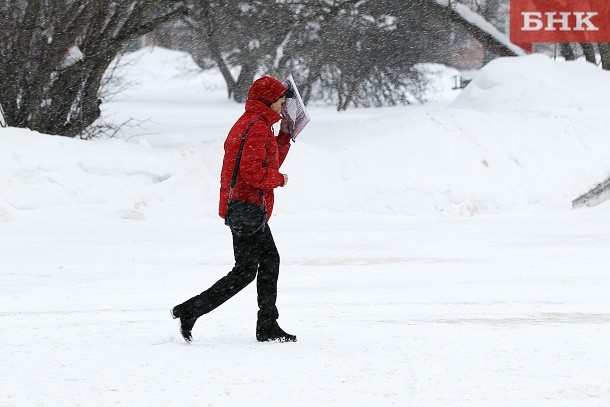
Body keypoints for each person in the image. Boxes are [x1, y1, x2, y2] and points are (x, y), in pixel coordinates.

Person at [171, 76, 296, 343]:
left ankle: (267, 324)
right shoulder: (256, 127)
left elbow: (267, 162)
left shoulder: (256, 123)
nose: (283, 107)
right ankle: (190, 310)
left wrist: (284, 135)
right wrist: (279, 180)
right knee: (245, 271)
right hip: (247, 208)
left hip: (248, 208)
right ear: (269, 102)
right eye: (281, 102)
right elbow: (252, 173)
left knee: (267, 262)